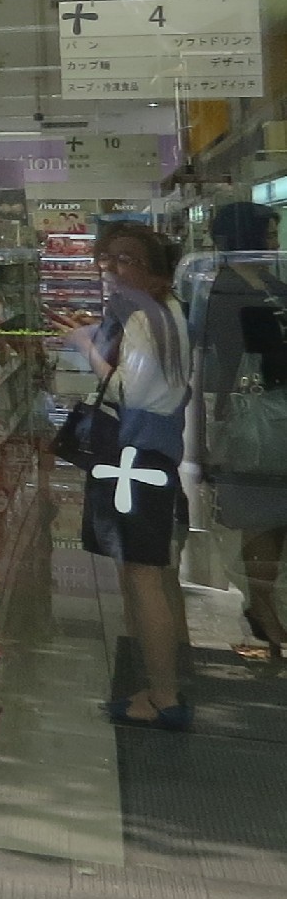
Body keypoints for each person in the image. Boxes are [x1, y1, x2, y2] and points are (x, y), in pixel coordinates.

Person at [87, 221, 195, 730]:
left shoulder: (145, 318)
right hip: (154, 453)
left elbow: (129, 390)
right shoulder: (164, 310)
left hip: (135, 459)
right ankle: (165, 678)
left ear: (154, 270)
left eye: (125, 260)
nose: (112, 269)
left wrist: (85, 347)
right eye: (107, 259)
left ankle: (163, 696)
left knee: (142, 574)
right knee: (153, 571)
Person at [192, 200, 287, 657]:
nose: (274, 243)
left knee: (276, 512)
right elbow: (220, 362)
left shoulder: (270, 282)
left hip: (277, 410)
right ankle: (262, 607)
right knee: (260, 512)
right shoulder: (224, 289)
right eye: (267, 235)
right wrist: (212, 429)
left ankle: (266, 602)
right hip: (255, 415)